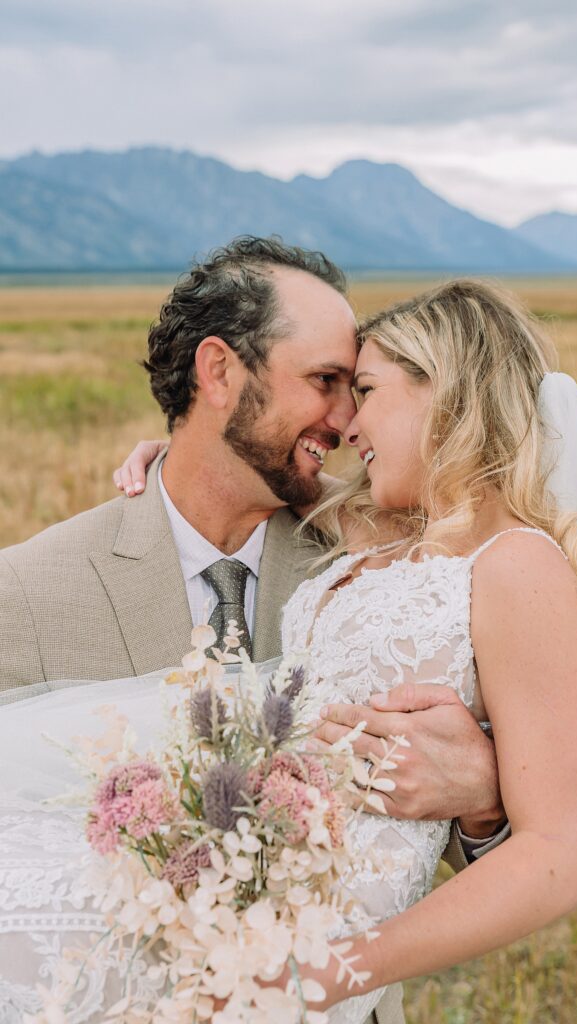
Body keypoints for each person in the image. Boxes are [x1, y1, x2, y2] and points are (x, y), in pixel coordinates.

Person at [0, 240, 504, 1024]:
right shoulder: (29, 592)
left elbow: (460, 849)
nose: (346, 420)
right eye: (324, 382)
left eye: (358, 387)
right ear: (219, 372)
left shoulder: (383, 565)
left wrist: (482, 803)